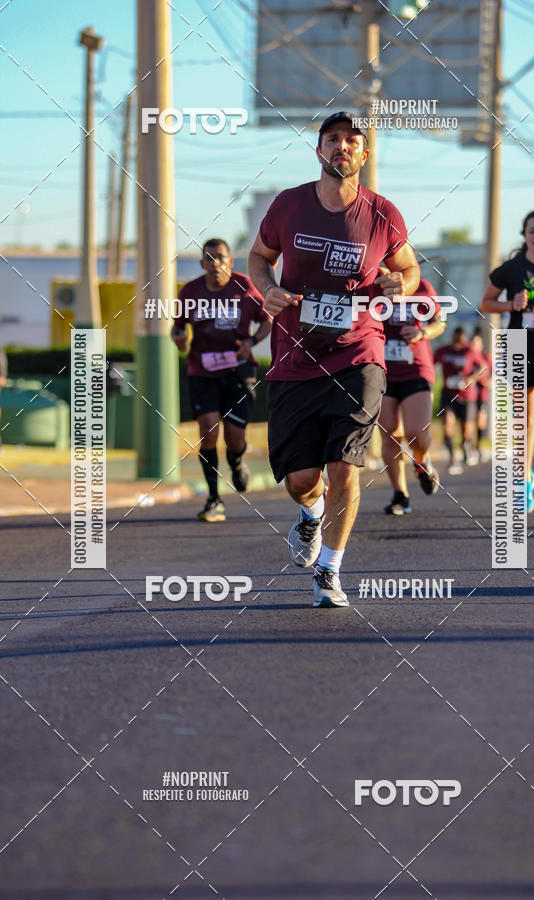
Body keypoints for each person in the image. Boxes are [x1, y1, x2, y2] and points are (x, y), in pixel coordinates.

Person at [248, 111, 420, 607]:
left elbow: (406, 270)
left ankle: (330, 569)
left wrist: (398, 283)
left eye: (352, 141)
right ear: (319, 150)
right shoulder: (288, 205)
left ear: (364, 154)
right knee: (302, 480)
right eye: (332, 140)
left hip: (358, 354)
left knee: (344, 466)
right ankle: (310, 514)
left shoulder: (383, 212)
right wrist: (268, 289)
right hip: (295, 357)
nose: (342, 147)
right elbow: (258, 258)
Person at [172, 238, 271, 522]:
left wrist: (251, 342)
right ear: (202, 264)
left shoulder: (244, 287)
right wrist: (179, 339)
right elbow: (177, 329)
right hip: (202, 371)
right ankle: (214, 499)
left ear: (230, 261)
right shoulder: (191, 292)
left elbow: (267, 320)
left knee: (235, 438)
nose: (216, 264)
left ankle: (237, 460)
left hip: (239, 370)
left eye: (221, 258)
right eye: (209, 258)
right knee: (208, 431)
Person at [481, 210, 534, 512]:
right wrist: (509, 304)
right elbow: (485, 302)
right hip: (517, 345)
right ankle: (524, 483)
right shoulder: (512, 269)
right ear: (524, 234)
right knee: (523, 421)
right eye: (531, 230)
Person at [379, 277, 446, 515]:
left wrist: (421, 332)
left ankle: (422, 460)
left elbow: (439, 323)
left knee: (416, 433)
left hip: (416, 368)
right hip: (382, 370)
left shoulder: (422, 287)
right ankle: (400, 495)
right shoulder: (373, 285)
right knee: (389, 435)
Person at [434, 327, 486, 475]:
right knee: (447, 424)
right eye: (456, 339)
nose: (458, 343)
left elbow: (483, 367)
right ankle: (452, 458)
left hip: (466, 395)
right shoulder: (442, 351)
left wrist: (472, 378)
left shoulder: (469, 351)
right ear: (452, 337)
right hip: (448, 394)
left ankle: (465, 446)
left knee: (466, 429)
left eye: (461, 340)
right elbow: (431, 363)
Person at [471, 328, 492, 462]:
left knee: (480, 420)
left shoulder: (486, 358)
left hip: (482, 394)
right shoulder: (468, 355)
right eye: (472, 343)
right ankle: (469, 446)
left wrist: (488, 382)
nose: (474, 346)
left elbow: (493, 373)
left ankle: (478, 445)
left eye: (476, 343)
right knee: (468, 421)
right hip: (469, 394)